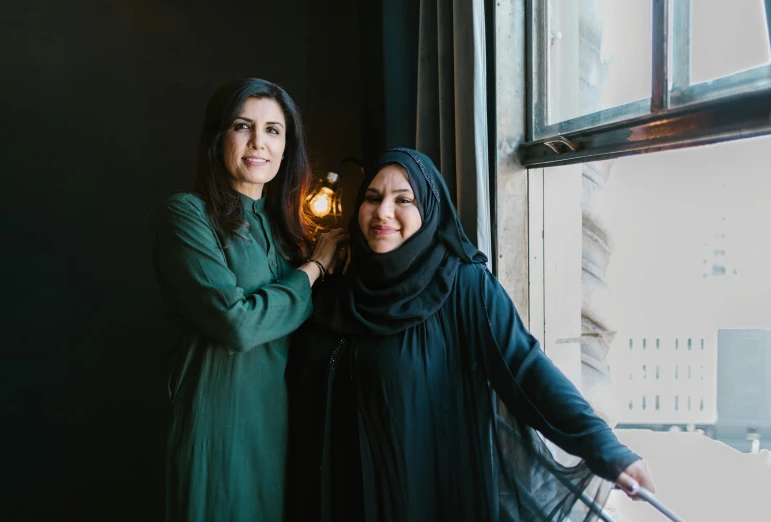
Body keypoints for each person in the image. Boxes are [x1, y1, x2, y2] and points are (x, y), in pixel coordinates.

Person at [285, 148, 654, 522]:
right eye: (372, 197)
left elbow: (527, 369)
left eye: (404, 200)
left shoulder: (462, 285)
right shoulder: (336, 287)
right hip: (332, 498)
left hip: (418, 501)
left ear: (430, 210)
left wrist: (606, 448)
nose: (383, 212)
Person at [150, 77, 348, 522]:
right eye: (243, 126)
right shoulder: (185, 215)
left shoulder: (288, 231)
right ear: (219, 137)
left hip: (279, 425)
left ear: (286, 145)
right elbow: (236, 324)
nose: (259, 142)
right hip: (217, 421)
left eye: (273, 130)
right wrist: (313, 269)